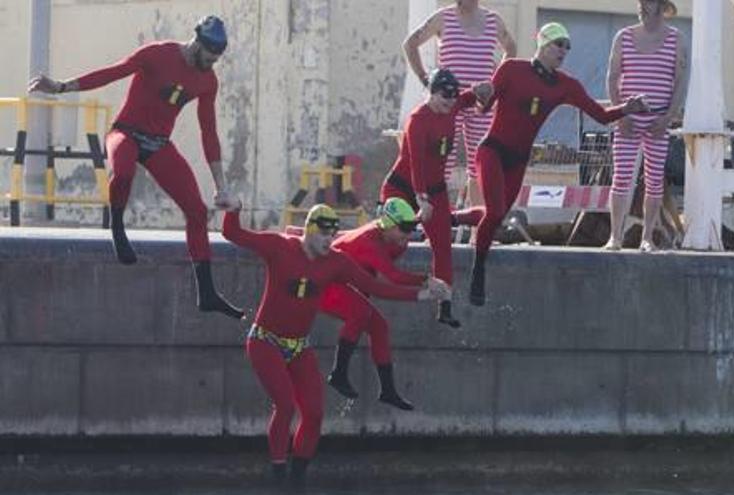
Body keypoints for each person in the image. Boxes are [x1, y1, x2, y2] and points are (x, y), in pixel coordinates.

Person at [28, 16, 242, 319]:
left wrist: (221, 185)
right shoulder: (158, 54)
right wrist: (62, 87)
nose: (211, 63)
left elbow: (209, 131)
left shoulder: (207, 80)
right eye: (209, 56)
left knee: (197, 210)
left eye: (217, 58)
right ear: (197, 43)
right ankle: (116, 225)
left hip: (158, 144)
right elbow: (112, 73)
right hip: (125, 132)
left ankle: (206, 291)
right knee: (124, 170)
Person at [223, 201, 449, 487]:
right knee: (285, 405)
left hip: (299, 346)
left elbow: (376, 287)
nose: (330, 242)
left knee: (315, 414)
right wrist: (234, 208)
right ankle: (278, 473)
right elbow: (233, 234)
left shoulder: (336, 261)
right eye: (324, 236)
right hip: (264, 341)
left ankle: (297, 479)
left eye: (333, 236)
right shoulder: (278, 246)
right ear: (308, 231)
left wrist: (423, 295)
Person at [468, 22, 648, 306]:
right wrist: (480, 94)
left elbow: (600, 115)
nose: (563, 50)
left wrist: (628, 108)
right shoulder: (512, 69)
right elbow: (483, 108)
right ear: (542, 44)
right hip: (492, 151)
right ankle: (477, 271)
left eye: (567, 46)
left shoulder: (566, 85)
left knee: (497, 215)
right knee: (495, 211)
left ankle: (454, 218)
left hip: (518, 160)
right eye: (558, 44)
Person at [286, 198, 428, 410]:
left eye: (412, 228)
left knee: (380, 327)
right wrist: (426, 282)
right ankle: (339, 373)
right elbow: (394, 277)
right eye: (405, 228)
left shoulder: (383, 233)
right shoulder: (372, 243)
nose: (408, 234)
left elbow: (344, 237)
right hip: (322, 282)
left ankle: (387, 391)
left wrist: (296, 232)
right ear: (389, 224)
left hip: (338, 281)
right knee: (360, 312)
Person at [380, 68, 489, 327]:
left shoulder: (451, 106)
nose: (449, 102)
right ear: (430, 93)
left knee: (442, 248)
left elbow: (467, 98)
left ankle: (445, 305)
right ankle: (363, 278)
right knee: (393, 241)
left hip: (436, 190)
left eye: (452, 97)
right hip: (404, 189)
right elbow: (417, 163)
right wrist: (421, 199)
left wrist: (482, 89)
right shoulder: (418, 120)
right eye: (443, 97)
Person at [403, 0, 516, 208]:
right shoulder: (443, 17)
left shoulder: (493, 21)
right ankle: (435, 219)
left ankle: (478, 228)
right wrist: (426, 81)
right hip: (448, 103)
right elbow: (410, 44)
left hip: (480, 102)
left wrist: (495, 85)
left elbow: (511, 48)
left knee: (480, 164)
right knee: (441, 162)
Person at [605, 0, 688, 252]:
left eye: (649, 1)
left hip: (658, 120)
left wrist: (668, 117)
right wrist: (619, 112)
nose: (643, 5)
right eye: (641, 1)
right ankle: (615, 236)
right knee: (621, 177)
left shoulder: (676, 39)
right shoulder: (623, 36)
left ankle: (647, 236)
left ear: (662, 6)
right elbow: (612, 76)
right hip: (629, 118)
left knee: (654, 181)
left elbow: (681, 80)